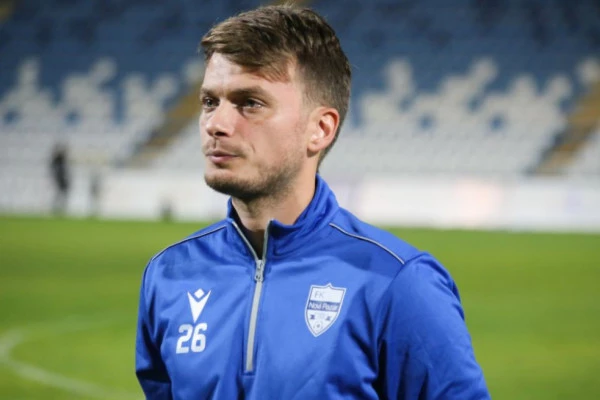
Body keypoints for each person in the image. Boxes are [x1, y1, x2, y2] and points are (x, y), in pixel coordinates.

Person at [135, 5, 490, 399]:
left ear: (320, 129)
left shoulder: (397, 283)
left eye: (250, 103)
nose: (216, 124)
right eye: (209, 102)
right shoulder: (168, 274)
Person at [49, 142, 70, 214]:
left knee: (60, 195)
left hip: (61, 180)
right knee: (59, 195)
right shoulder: (58, 160)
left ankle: (59, 208)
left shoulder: (60, 161)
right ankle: (57, 208)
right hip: (60, 180)